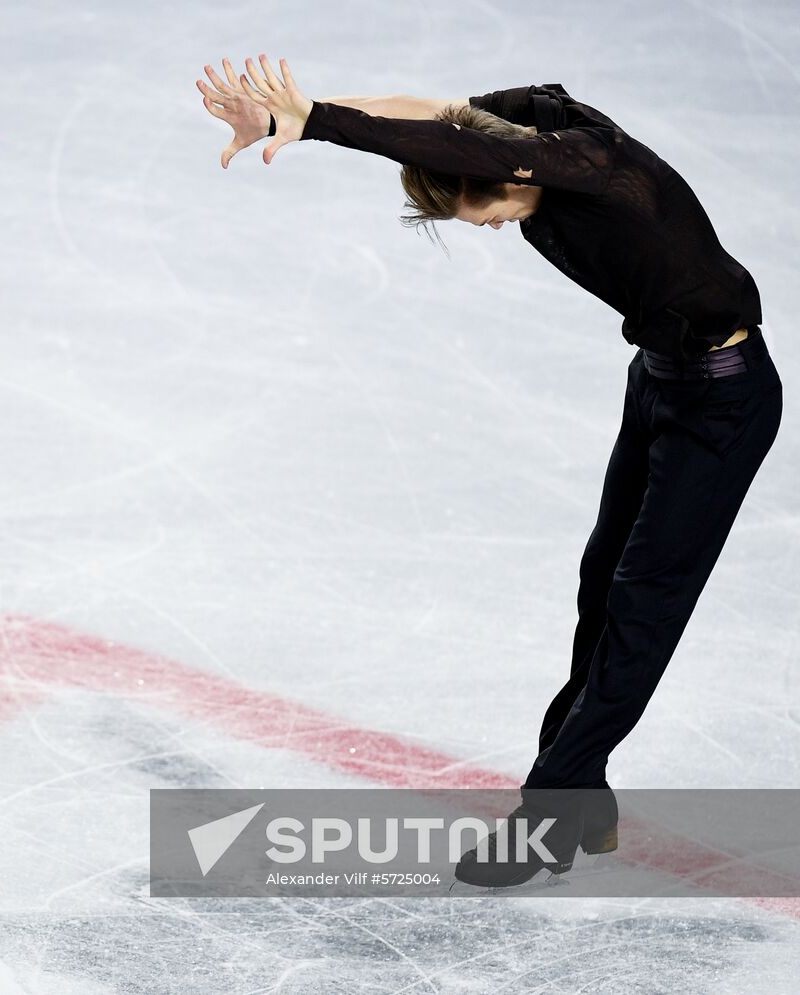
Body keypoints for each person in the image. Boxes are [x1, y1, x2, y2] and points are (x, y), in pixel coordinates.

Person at [197, 56, 782, 888]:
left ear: (500, 175)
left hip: (725, 403)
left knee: (643, 607)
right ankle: (584, 796)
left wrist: (323, 119)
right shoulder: (513, 130)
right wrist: (303, 114)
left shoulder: (586, 162)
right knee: (600, 585)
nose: (485, 225)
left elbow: (471, 156)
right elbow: (435, 118)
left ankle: (548, 814)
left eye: (479, 207)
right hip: (657, 382)